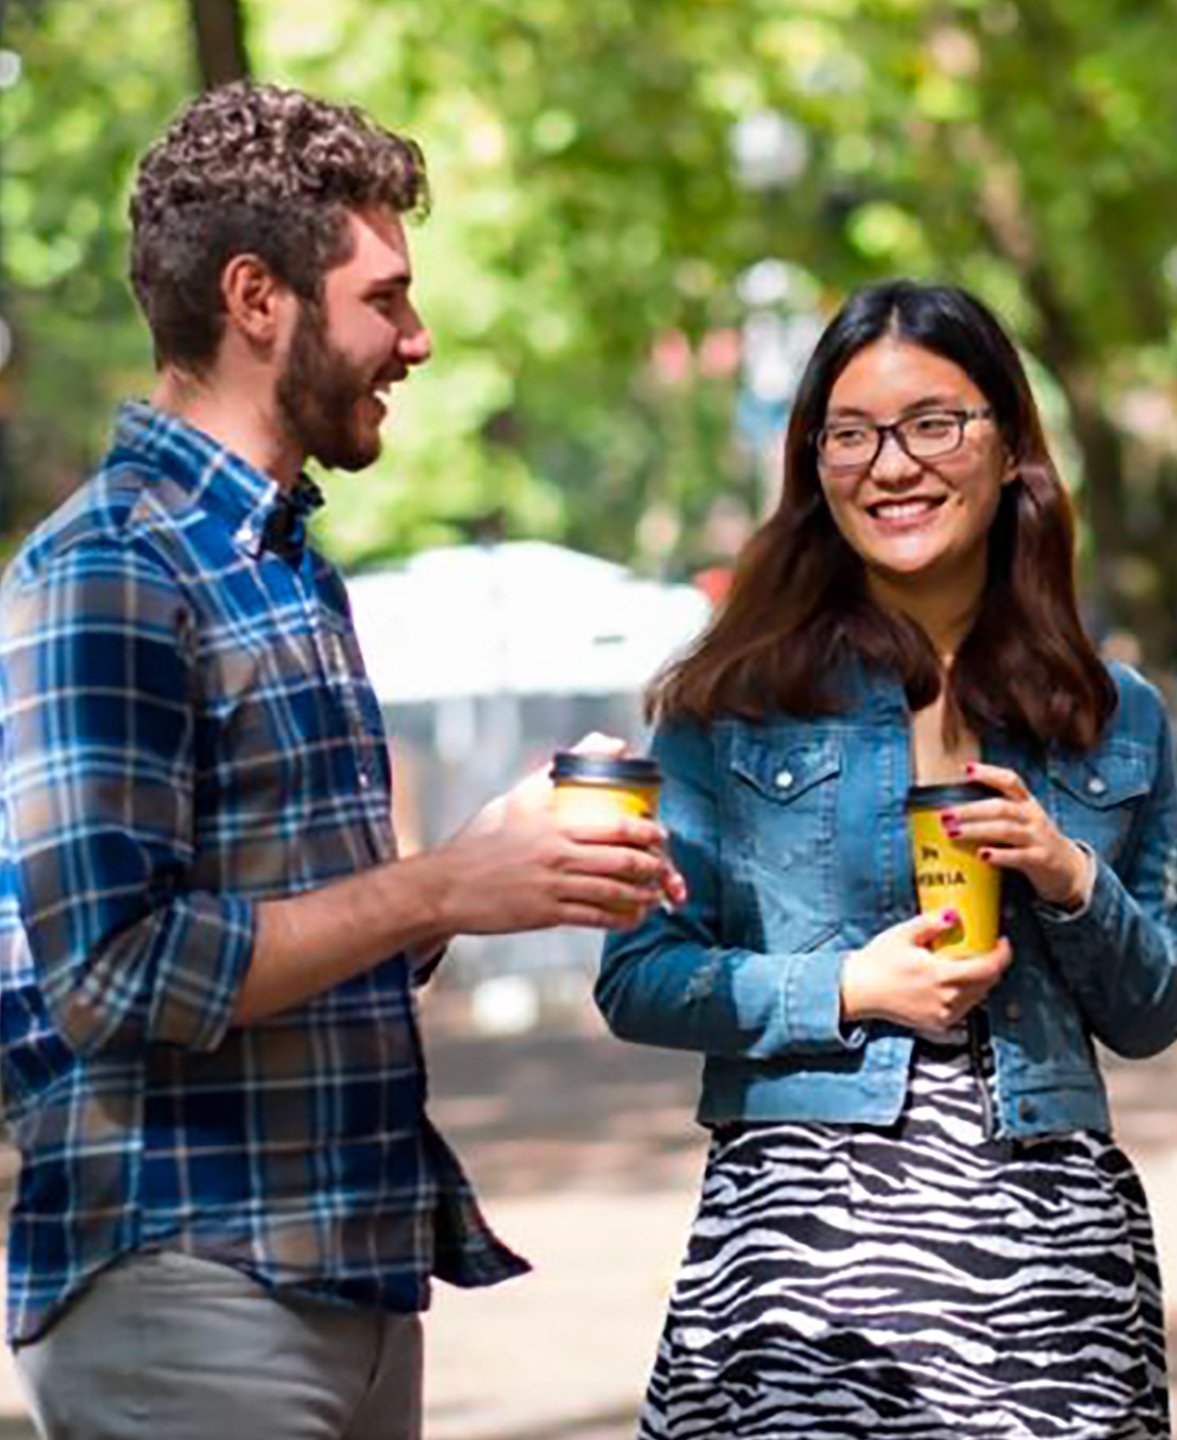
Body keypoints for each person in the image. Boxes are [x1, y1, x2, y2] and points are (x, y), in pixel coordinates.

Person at [0, 83, 678, 1439]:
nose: (417, 341)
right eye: (386, 298)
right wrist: (437, 891)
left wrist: (489, 867)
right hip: (187, 1283)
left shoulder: (289, 566)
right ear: (259, 298)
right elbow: (114, 972)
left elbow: (296, 936)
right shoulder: (110, 568)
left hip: (346, 1281)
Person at [595, 279, 1177, 1439]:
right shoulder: (733, 702)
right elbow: (638, 977)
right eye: (853, 434)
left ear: (1009, 441)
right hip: (803, 1247)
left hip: (1047, 1258)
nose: (892, 466)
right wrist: (849, 989)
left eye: (934, 423)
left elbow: (1158, 1008)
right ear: (813, 463)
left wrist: (1070, 879)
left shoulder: (1114, 715)